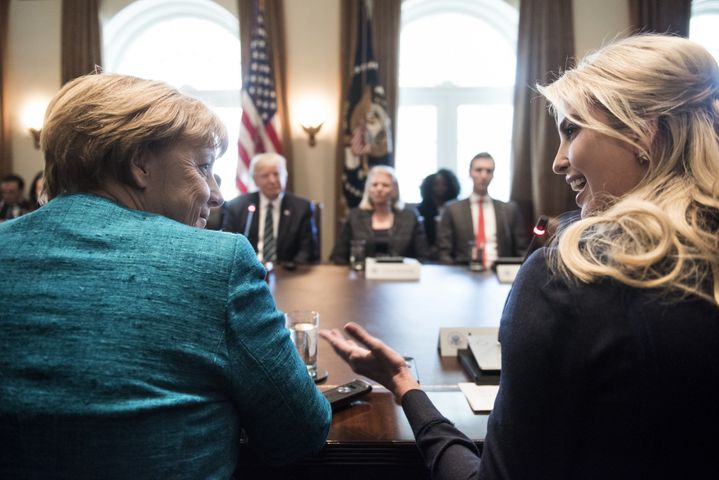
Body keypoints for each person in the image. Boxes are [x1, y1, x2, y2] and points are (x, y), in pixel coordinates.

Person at [321, 34, 719, 479]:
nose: (557, 161)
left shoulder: (568, 277)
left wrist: (404, 387)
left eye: (571, 130)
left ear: (645, 131)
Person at [0, 73, 331, 478]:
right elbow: (299, 433)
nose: (217, 193)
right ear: (139, 164)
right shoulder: (218, 261)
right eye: (204, 167)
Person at [222, 152, 317, 265]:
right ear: (255, 180)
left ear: (285, 176)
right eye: (265, 175)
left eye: (276, 174)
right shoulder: (236, 207)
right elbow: (228, 246)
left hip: (287, 273)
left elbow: (307, 251)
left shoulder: (302, 208)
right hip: (248, 271)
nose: (272, 180)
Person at [437, 152, 528, 266]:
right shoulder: (452, 209)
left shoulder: (510, 210)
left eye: (488, 171)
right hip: (464, 272)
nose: (484, 175)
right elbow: (444, 252)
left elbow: (522, 251)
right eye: (479, 170)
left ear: (493, 175)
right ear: (470, 172)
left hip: (499, 273)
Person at [331, 165, 429, 262]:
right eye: (374, 185)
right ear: (368, 189)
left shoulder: (410, 217)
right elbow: (338, 256)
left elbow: (423, 257)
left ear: (394, 189)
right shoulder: (354, 217)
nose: (379, 189)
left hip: (401, 274)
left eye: (385, 185)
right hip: (362, 274)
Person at [417, 168, 461, 256]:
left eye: (444, 184)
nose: (440, 187)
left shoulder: (457, 210)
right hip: (428, 254)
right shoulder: (421, 210)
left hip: (453, 253)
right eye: (436, 184)